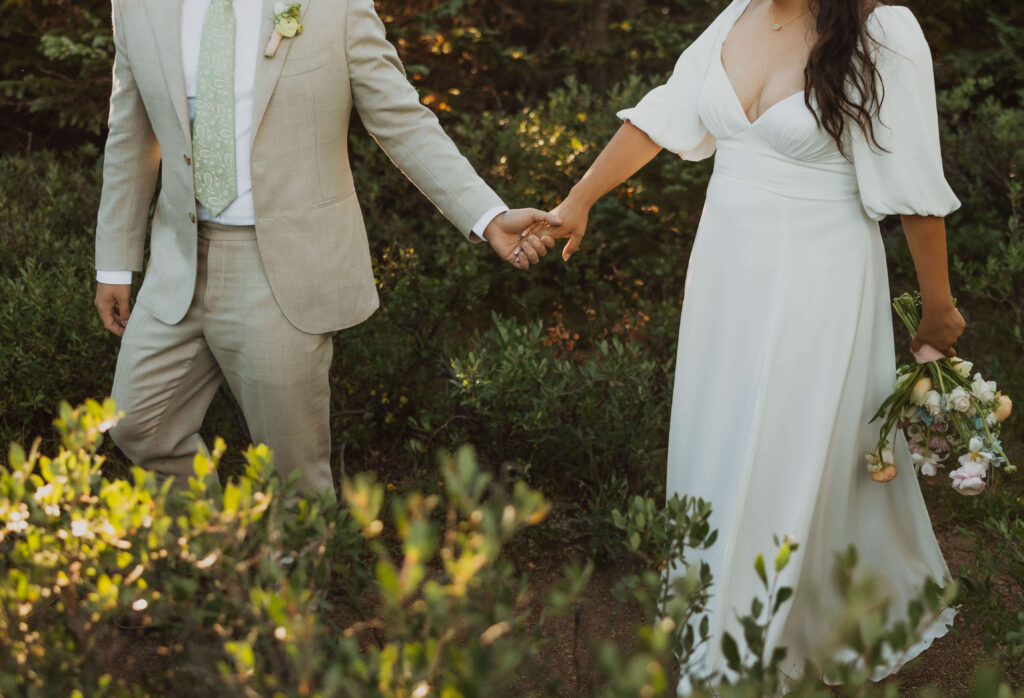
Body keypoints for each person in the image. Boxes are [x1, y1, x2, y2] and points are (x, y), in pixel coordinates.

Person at [533, 0, 963, 691]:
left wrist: (937, 310)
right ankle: (716, 619)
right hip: (725, 280)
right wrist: (579, 200)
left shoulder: (884, 31)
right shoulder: (740, 13)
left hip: (819, 280)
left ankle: (757, 641)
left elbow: (914, 186)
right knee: (723, 435)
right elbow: (667, 113)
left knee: (789, 446)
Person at [93, 0, 557, 499]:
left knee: (292, 474)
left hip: (282, 270)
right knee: (138, 423)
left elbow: (400, 119)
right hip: (176, 260)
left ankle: (291, 574)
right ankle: (219, 554)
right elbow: (131, 133)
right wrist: (115, 262)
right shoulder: (138, 5)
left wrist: (486, 216)